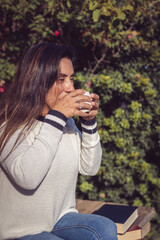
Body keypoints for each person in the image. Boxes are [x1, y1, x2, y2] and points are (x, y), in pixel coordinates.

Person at [0, 43, 117, 240]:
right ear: (37, 81)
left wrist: (89, 123)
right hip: (19, 231)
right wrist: (58, 116)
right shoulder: (8, 126)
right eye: (60, 79)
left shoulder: (66, 122)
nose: (70, 87)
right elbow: (28, 178)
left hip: (59, 220)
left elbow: (90, 167)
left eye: (71, 78)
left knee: (104, 228)